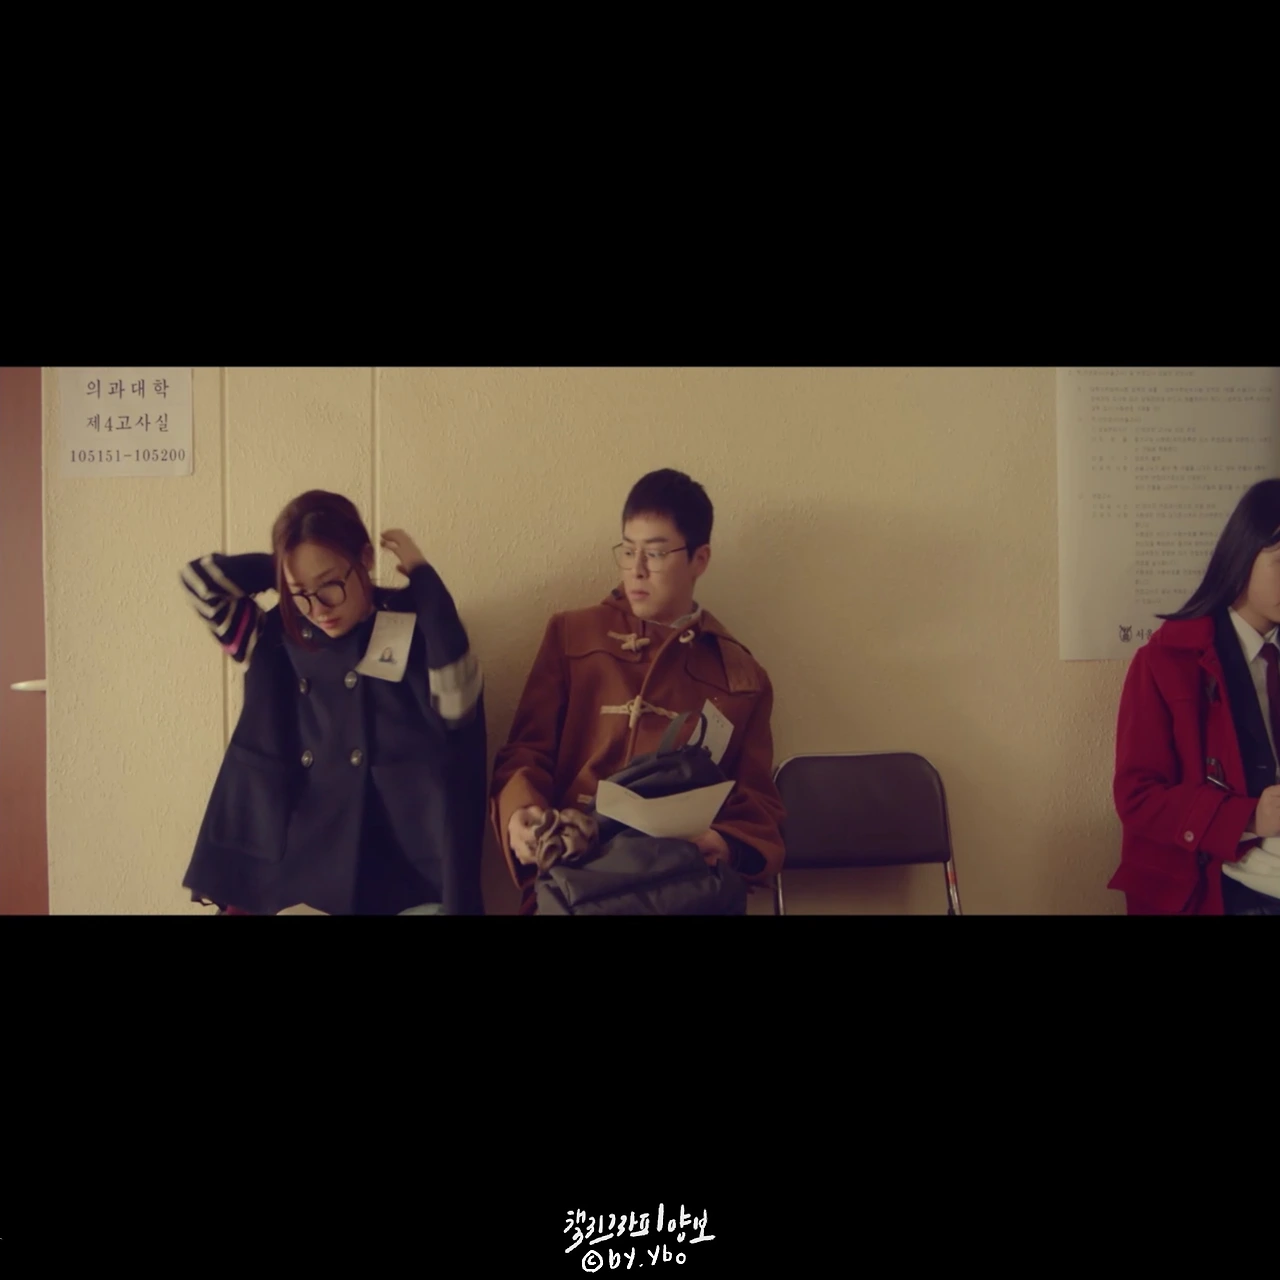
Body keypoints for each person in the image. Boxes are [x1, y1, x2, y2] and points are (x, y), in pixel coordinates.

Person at [490, 468, 785, 914]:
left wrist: (724, 842)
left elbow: (758, 803)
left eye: (656, 553)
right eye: (628, 551)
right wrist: (520, 816)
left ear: (700, 559)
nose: (637, 570)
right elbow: (525, 754)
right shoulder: (573, 635)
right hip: (575, 883)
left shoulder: (740, 678)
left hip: (677, 889)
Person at [180, 489, 487, 915]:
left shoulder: (413, 626)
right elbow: (199, 582)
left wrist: (426, 582)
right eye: (300, 592)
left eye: (329, 586)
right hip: (290, 863)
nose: (318, 609)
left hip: (403, 866)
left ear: (365, 558)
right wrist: (283, 569)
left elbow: (459, 707)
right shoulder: (274, 634)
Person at [1112, 477, 1280, 914]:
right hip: (1224, 884)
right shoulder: (1167, 661)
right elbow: (1137, 797)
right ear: (1242, 556)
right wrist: (1249, 816)